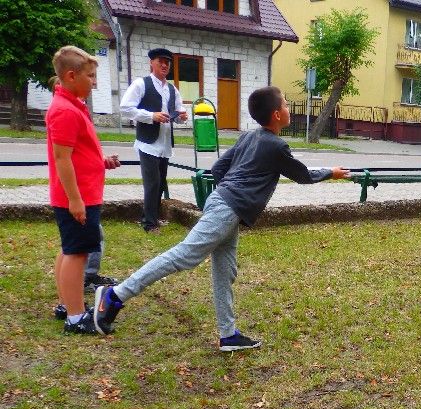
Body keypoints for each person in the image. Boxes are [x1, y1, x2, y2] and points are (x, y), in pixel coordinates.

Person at [93, 86, 349, 351]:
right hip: (227, 208)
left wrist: (229, 192)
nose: (288, 108)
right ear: (276, 114)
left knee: (225, 272)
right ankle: (116, 295)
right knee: (185, 255)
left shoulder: (249, 137)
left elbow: (218, 169)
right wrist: (331, 172)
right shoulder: (276, 146)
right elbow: (303, 175)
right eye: (285, 104)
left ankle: (228, 335)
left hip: (224, 204)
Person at [46, 46, 121, 334]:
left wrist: (101, 160)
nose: (94, 82)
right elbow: (62, 159)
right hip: (78, 196)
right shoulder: (65, 111)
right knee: (77, 254)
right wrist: (75, 200)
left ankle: (67, 303)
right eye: (90, 76)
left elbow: (77, 152)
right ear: (71, 76)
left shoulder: (73, 105)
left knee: (70, 250)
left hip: (84, 192)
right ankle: (76, 317)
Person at [120, 48, 188, 233]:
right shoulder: (141, 84)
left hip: (164, 144)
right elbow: (125, 108)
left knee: (160, 183)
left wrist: (181, 116)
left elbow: (178, 112)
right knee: (152, 183)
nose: (164, 65)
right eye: (161, 61)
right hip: (147, 143)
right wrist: (151, 116)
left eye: (167, 62)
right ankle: (149, 224)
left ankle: (152, 217)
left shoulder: (172, 89)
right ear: (152, 63)